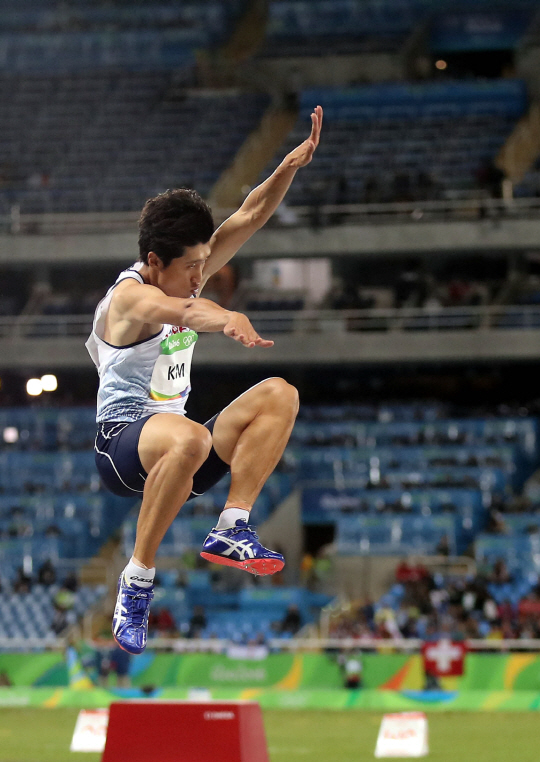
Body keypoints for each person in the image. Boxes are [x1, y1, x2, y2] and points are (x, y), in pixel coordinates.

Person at [86, 106, 323, 656]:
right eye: (191, 267)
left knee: (279, 395)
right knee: (189, 435)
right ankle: (136, 582)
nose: (201, 275)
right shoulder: (130, 299)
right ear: (154, 260)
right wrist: (226, 317)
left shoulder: (183, 273)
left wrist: (287, 167)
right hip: (122, 448)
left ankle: (232, 525)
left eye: (203, 265)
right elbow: (190, 315)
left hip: (180, 454)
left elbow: (249, 215)